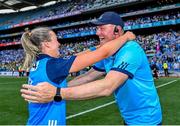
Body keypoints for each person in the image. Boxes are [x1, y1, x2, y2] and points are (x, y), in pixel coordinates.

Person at [21, 12, 162, 125]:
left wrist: (57, 92)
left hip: (147, 119)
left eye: (101, 28)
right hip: (130, 117)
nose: (97, 33)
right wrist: (56, 87)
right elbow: (88, 76)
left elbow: (107, 87)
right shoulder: (109, 52)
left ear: (117, 30)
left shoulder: (130, 50)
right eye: (97, 28)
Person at [20, 26, 135, 125]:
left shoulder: (42, 64)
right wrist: (125, 37)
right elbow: (103, 54)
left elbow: (75, 57)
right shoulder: (53, 65)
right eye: (56, 40)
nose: (59, 43)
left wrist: (97, 47)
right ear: (47, 44)